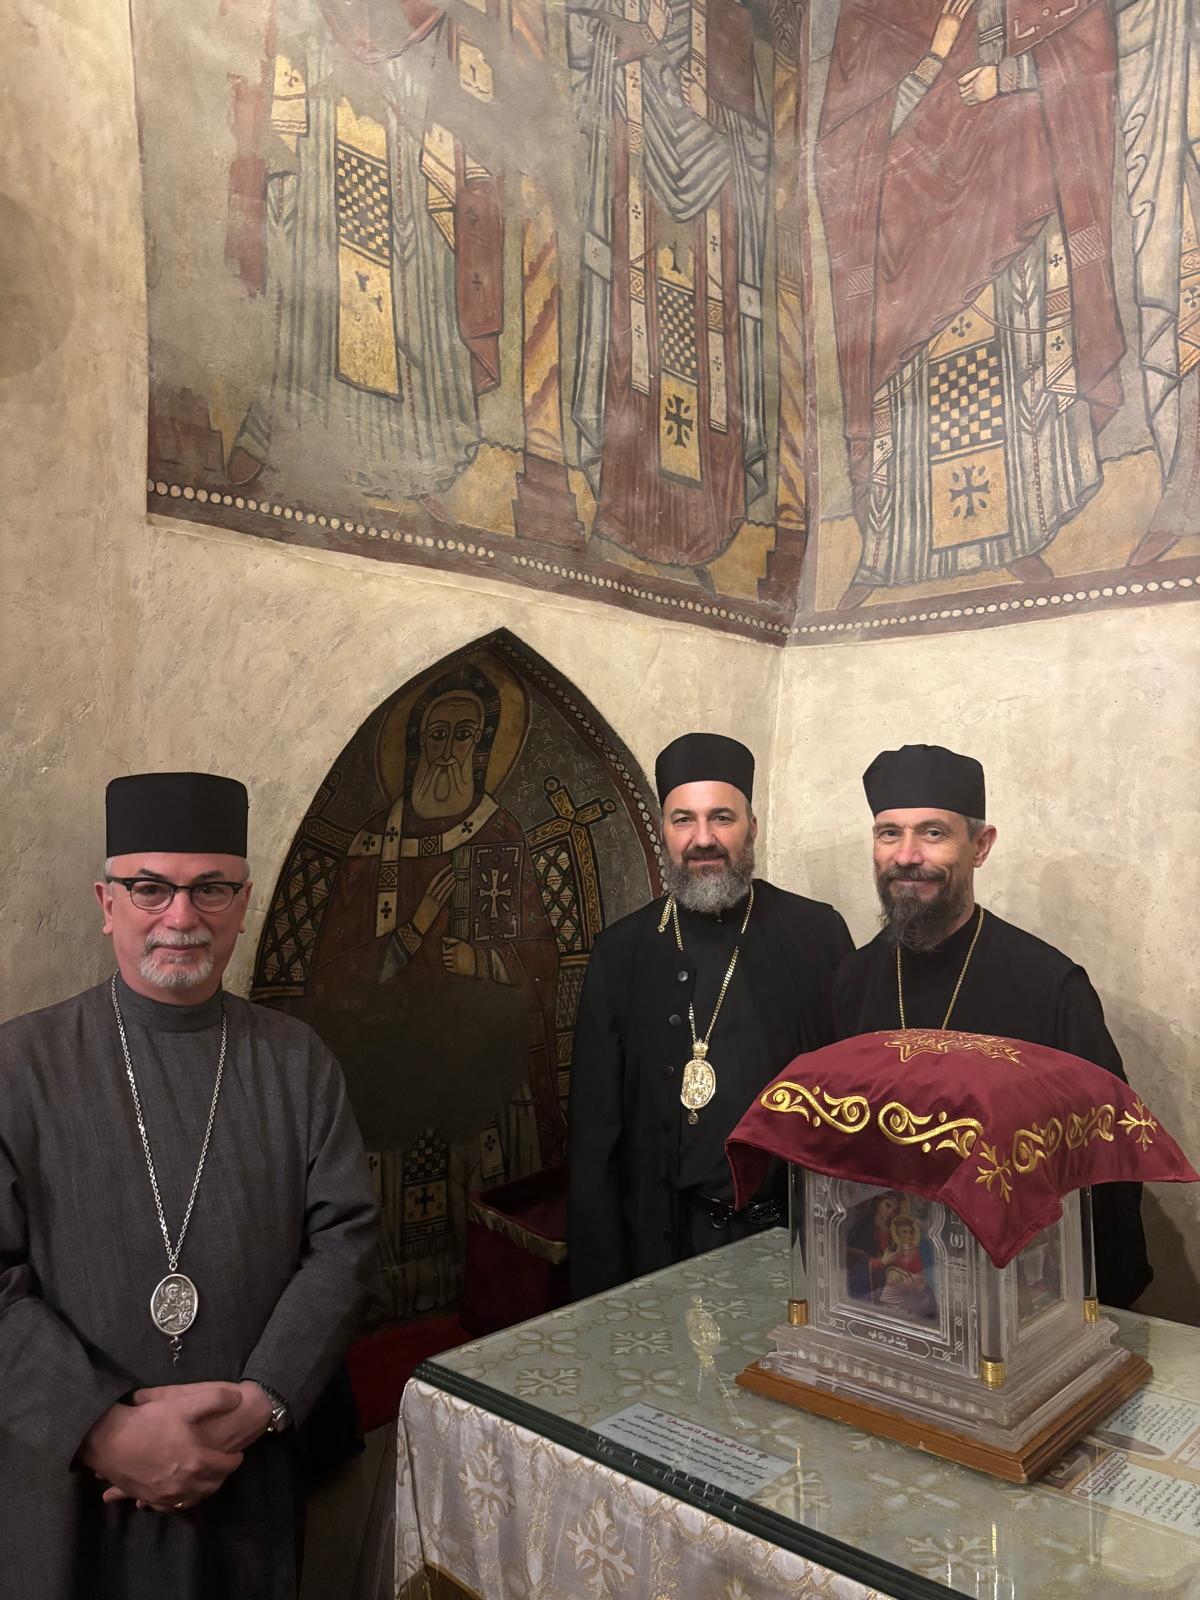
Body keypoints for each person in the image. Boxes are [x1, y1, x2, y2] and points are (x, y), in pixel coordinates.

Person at [0, 771, 378, 1600]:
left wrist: (262, 1400)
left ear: (243, 903)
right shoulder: (17, 1067)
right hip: (67, 1490)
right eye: (150, 889)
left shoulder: (297, 1062)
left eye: (210, 888)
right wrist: (100, 1430)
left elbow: (345, 1243)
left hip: (243, 1475)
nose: (181, 917)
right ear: (106, 903)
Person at [832, 742, 1151, 1308]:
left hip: (1015, 1295)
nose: (907, 855)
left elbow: (1107, 1163)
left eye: (933, 833)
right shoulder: (853, 978)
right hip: (885, 1294)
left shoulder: (1049, 986)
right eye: (889, 833)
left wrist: (1088, 1305)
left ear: (980, 846)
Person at [567, 733, 853, 1300]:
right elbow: (595, 1139)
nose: (703, 839)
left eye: (721, 817)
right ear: (663, 831)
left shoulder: (816, 933)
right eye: (684, 820)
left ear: (752, 826)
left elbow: (851, 1109)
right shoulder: (621, 952)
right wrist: (601, 1295)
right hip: (664, 1248)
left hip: (794, 1246)